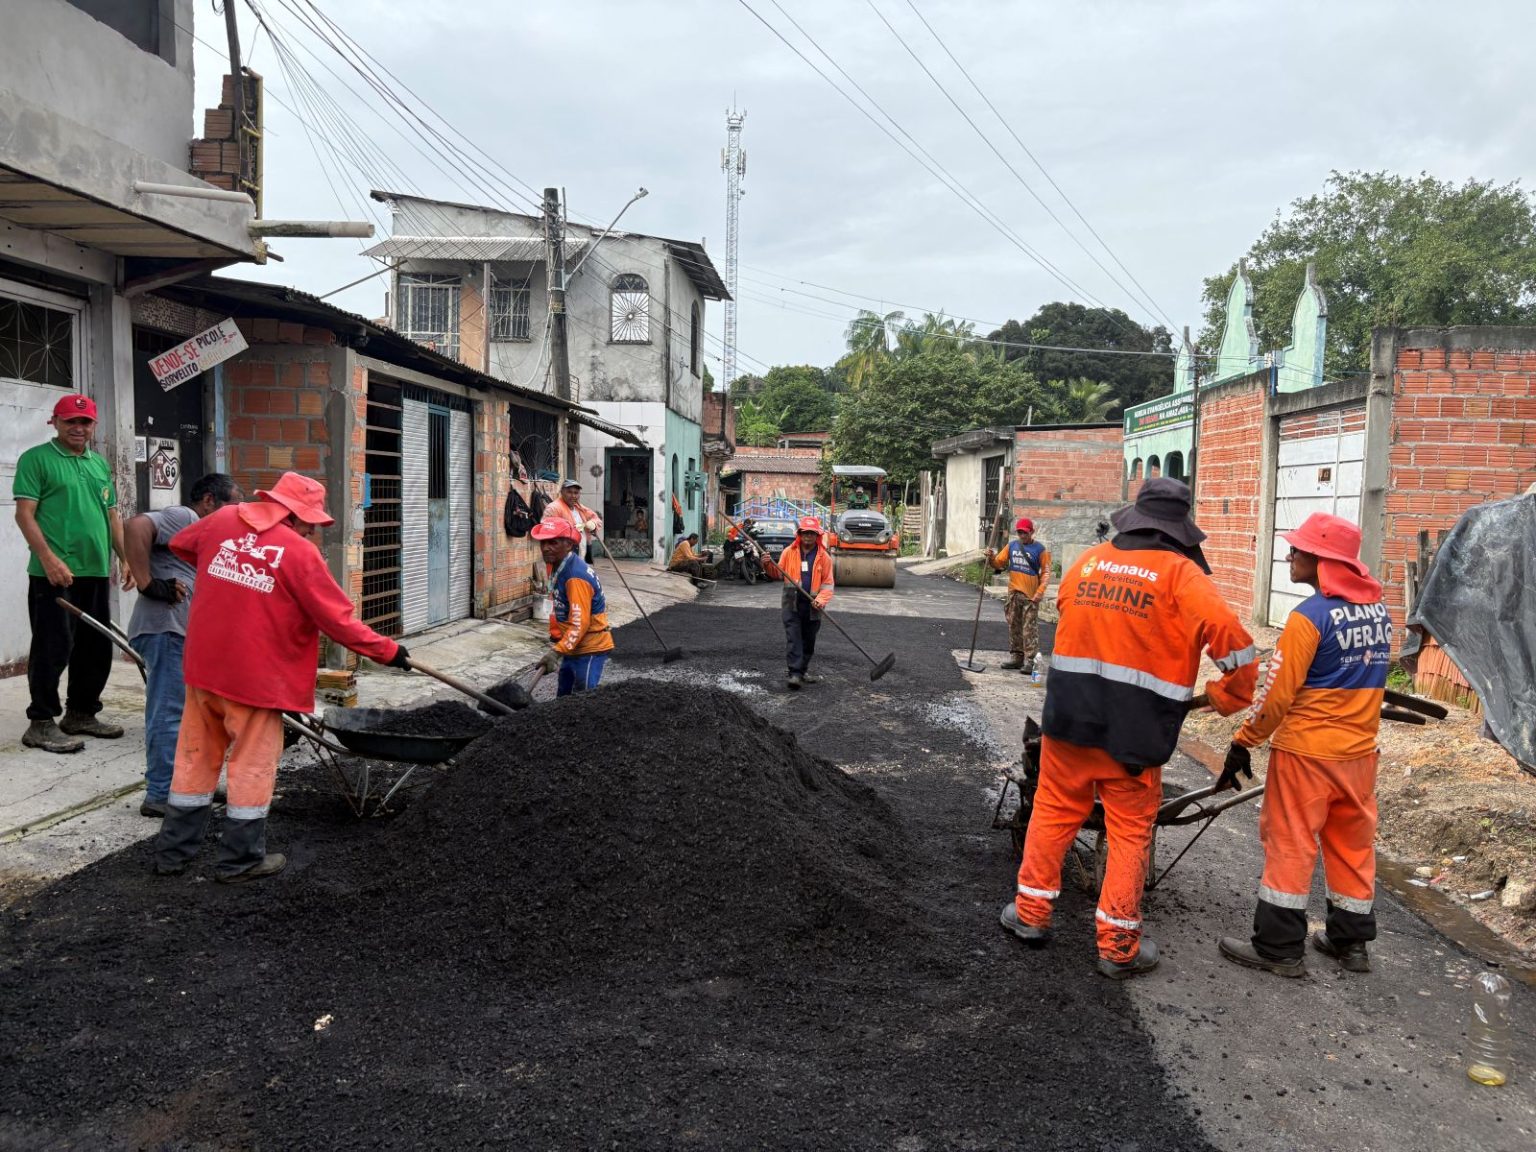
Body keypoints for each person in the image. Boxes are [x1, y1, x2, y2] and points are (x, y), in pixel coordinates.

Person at [1000, 478, 1258, 978]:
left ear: (1135, 519)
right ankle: (1118, 946)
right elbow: (1238, 651)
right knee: (1129, 832)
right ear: (1179, 530)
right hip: (1134, 738)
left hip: (1068, 722)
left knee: (1052, 813)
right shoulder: (1184, 577)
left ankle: (1030, 915)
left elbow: (1072, 617)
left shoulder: (1089, 562)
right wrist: (1227, 699)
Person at [153, 473, 409, 883]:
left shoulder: (221, 520)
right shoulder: (299, 553)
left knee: (194, 760)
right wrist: (390, 652)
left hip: (204, 669)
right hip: (256, 679)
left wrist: (231, 574)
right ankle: (240, 860)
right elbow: (338, 621)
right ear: (293, 513)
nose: (312, 528)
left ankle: (172, 855)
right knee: (252, 766)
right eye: (309, 520)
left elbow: (183, 545)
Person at [1218, 513, 1391, 978]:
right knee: (1352, 847)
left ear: (1322, 560)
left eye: (1298, 550)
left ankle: (1278, 949)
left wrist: (1243, 741)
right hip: (1360, 757)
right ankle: (1350, 944)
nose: (1290, 555)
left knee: (1291, 843)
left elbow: (1277, 697)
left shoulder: (1308, 618)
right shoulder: (1378, 612)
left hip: (1307, 756)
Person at [12, 393, 136, 754]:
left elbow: (113, 515)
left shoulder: (99, 464)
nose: (78, 428)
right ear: (55, 422)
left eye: (85, 422)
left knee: (94, 647)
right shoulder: (37, 460)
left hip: (95, 570)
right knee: (53, 647)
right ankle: (41, 722)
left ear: (93, 426)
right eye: (71, 421)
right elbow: (24, 514)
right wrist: (48, 559)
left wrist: (126, 558)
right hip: (54, 573)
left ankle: (81, 713)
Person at [124, 472, 243, 817]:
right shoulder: (186, 517)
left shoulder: (207, 535)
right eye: (232, 506)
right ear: (209, 501)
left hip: (182, 634)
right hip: (166, 631)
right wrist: (149, 584)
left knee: (197, 715)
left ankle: (191, 784)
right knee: (169, 712)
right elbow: (134, 525)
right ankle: (160, 794)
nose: (237, 515)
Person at [530, 518, 613, 695]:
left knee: (582, 697)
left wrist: (556, 652)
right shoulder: (561, 565)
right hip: (574, 646)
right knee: (564, 695)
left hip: (590, 646)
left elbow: (579, 623)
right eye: (543, 542)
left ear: (568, 544)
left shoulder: (575, 576)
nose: (546, 547)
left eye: (553, 542)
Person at [763, 516, 833, 691]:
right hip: (791, 602)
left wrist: (821, 600)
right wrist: (766, 565)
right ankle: (794, 673)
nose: (808, 536)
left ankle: (802, 671)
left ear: (817, 535)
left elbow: (828, 584)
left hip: (813, 606)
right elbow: (777, 574)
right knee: (794, 638)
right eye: (805, 533)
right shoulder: (789, 552)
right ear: (799, 534)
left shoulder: (824, 557)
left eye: (811, 533)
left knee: (809, 641)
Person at [986, 518, 1051, 675]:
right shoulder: (1012, 546)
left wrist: (1039, 593)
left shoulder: (1041, 550)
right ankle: (1017, 657)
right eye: (1020, 532)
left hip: (1031, 596)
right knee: (1014, 626)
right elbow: (999, 564)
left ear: (1031, 532)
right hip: (1014, 594)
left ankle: (1030, 661)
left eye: (1025, 532)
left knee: (1029, 630)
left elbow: (1046, 574)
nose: (1022, 535)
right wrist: (990, 558)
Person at [544, 477, 602, 561]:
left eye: (576, 493)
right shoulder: (553, 508)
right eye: (569, 492)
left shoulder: (579, 507)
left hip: (582, 551)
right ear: (562, 492)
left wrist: (593, 523)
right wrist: (582, 526)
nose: (573, 496)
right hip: (564, 554)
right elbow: (551, 530)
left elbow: (596, 519)